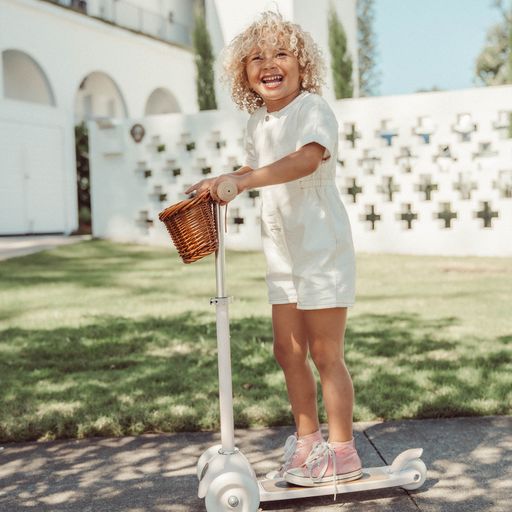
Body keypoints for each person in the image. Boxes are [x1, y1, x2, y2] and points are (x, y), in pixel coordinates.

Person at [185, 11, 362, 488]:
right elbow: (251, 164)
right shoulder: (259, 121)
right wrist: (222, 180)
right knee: (287, 350)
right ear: (244, 73)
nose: (269, 63)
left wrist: (241, 182)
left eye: (281, 54)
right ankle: (308, 439)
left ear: (303, 66)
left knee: (326, 352)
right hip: (282, 249)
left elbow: (305, 160)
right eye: (257, 57)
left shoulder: (313, 109)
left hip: (320, 244)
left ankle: (343, 450)